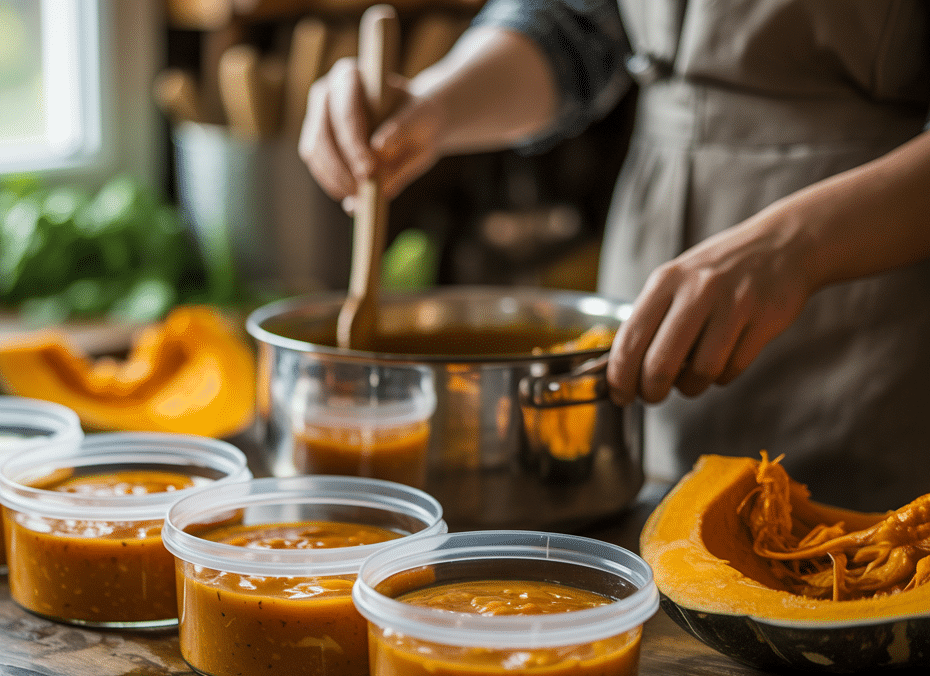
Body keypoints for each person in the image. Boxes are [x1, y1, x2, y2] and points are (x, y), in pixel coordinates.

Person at [298, 0, 930, 512]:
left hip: (875, 306)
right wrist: (433, 106)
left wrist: (798, 245)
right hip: (653, 247)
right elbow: (574, 25)